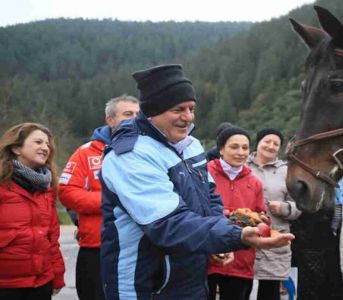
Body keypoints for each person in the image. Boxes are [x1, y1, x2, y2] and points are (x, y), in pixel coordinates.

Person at [100, 64, 293, 299]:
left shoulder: (191, 144)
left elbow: (209, 197)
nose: (188, 117)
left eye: (191, 108)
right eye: (178, 109)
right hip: (143, 286)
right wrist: (234, 236)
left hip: (190, 280)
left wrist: (219, 241)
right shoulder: (130, 155)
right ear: (153, 111)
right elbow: (168, 223)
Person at [58, 94, 139, 300]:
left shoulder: (150, 150)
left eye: (138, 115)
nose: (134, 119)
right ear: (110, 120)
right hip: (97, 247)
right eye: (127, 114)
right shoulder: (86, 153)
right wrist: (112, 200)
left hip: (140, 247)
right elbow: (67, 192)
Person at [0, 123, 65, 299]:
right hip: (6, 285)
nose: (45, 148)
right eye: (38, 142)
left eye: (47, 144)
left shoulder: (47, 188)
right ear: (16, 148)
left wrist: (57, 275)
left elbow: (52, 238)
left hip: (41, 283)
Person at [207, 126, 266, 300]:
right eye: (234, 147)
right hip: (207, 255)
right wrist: (231, 215)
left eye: (245, 147)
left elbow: (261, 214)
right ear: (221, 149)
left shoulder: (254, 181)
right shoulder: (204, 174)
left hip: (241, 258)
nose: (240, 152)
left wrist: (262, 222)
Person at [246, 128, 302, 300]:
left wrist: (285, 208)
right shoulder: (242, 165)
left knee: (270, 290)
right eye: (267, 141)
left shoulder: (287, 171)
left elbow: (300, 204)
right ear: (258, 143)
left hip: (275, 236)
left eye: (276, 144)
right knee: (240, 286)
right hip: (244, 234)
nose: (270, 146)